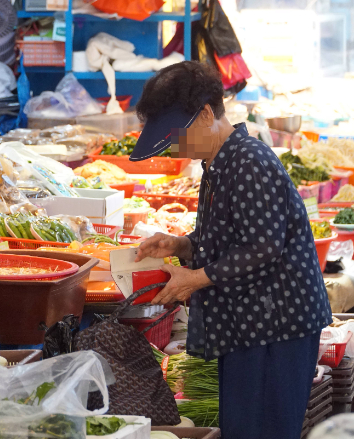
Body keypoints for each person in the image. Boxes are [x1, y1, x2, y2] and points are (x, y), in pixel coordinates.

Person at [132, 61, 331, 439]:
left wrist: (196, 279)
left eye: (176, 136)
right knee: (242, 428)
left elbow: (263, 245)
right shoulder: (219, 163)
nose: (174, 147)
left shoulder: (249, 162)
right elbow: (229, 237)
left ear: (206, 115)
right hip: (250, 324)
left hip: (275, 327)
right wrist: (181, 244)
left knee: (262, 431)